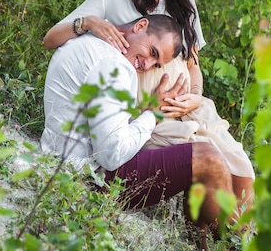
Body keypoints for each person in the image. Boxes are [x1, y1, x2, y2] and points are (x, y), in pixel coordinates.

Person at [42, 0, 254, 216]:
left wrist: (193, 94)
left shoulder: (184, 3)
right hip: (138, 107)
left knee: (241, 168)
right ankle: (219, 233)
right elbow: (51, 39)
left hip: (181, 103)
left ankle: (235, 237)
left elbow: (193, 66)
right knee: (210, 157)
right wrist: (87, 22)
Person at [41, 14, 233, 248]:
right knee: (208, 159)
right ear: (140, 25)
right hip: (86, 181)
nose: (147, 65)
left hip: (57, 161)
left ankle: (200, 245)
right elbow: (111, 155)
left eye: (156, 64)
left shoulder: (80, 42)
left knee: (191, 154)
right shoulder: (116, 66)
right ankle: (235, 244)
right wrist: (153, 113)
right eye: (152, 52)